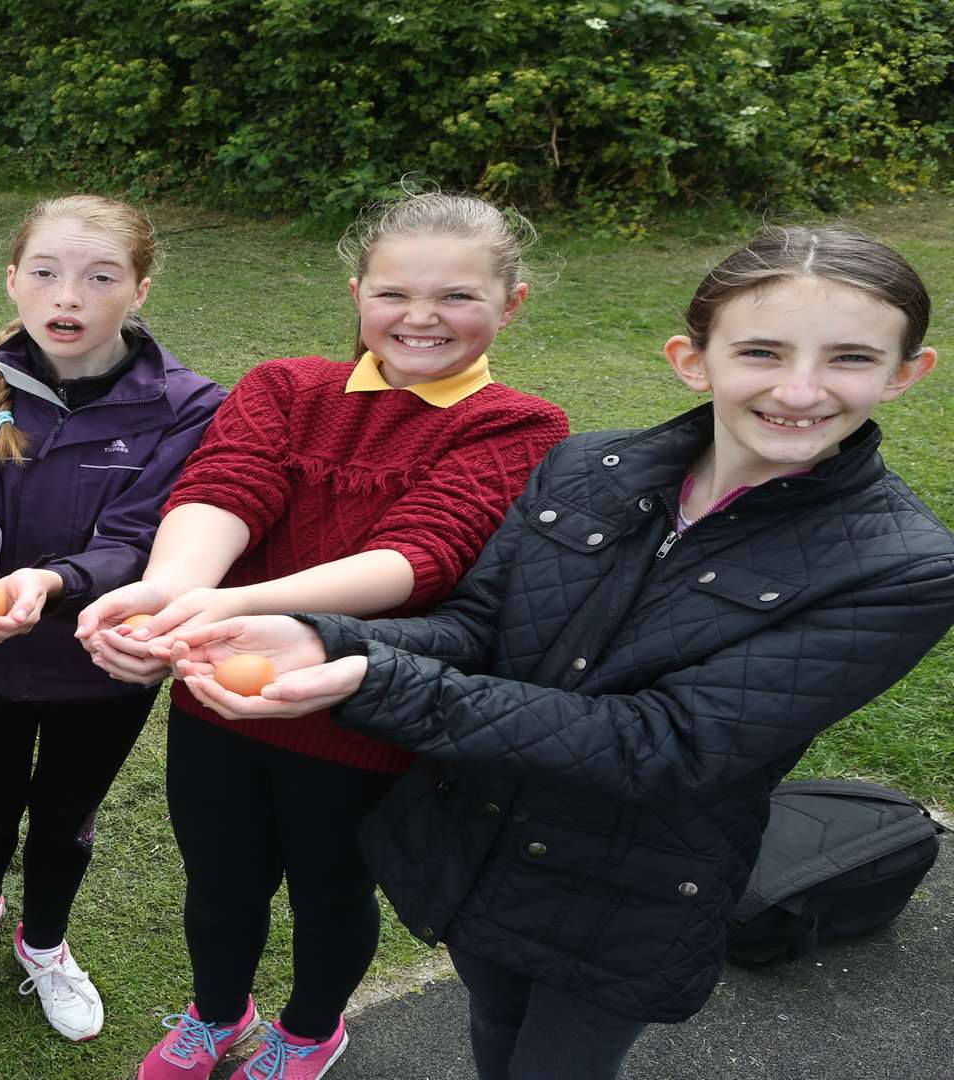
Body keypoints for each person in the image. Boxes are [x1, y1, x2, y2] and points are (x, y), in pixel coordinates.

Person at [164, 225, 954, 1079]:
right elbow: (476, 631)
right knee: (493, 1031)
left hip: (632, 890)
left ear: (907, 372)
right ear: (694, 359)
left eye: (848, 359)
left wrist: (369, 674)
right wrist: (325, 635)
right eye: (761, 351)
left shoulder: (901, 566)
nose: (799, 390)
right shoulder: (588, 469)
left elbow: (667, 743)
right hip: (483, 849)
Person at [78, 191, 571, 1080]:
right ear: (357, 292)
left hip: (360, 712)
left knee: (331, 890)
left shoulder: (519, 424)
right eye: (393, 293)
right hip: (217, 698)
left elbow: (423, 551)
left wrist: (231, 609)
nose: (420, 318)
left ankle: (309, 1033)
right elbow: (227, 488)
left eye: (457, 296)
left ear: (512, 302)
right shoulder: (286, 387)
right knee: (220, 881)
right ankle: (217, 1015)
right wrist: (169, 594)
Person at [0, 194, 225, 1041]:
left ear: (142, 289)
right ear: (13, 280)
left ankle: (43, 938)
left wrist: (50, 582)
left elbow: (143, 535)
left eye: (99, 277)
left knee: (66, 817)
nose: (67, 298)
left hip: (104, 661)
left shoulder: (188, 406)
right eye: (44, 273)